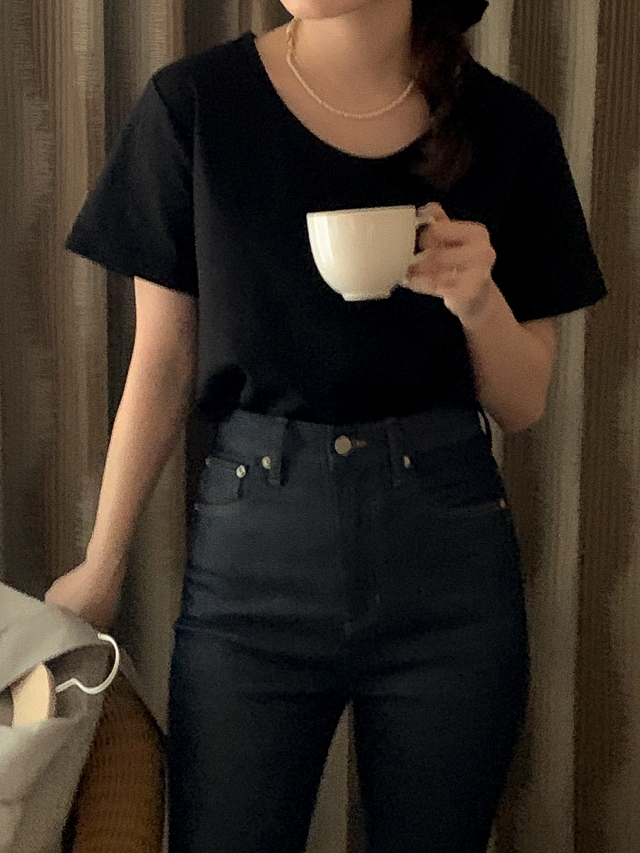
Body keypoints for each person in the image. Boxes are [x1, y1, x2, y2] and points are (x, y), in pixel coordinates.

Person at [47, 0, 607, 850]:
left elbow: (523, 402)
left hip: (448, 562)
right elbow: (162, 361)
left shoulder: (506, 127)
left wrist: (478, 301)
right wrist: (104, 560)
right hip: (252, 557)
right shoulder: (194, 106)